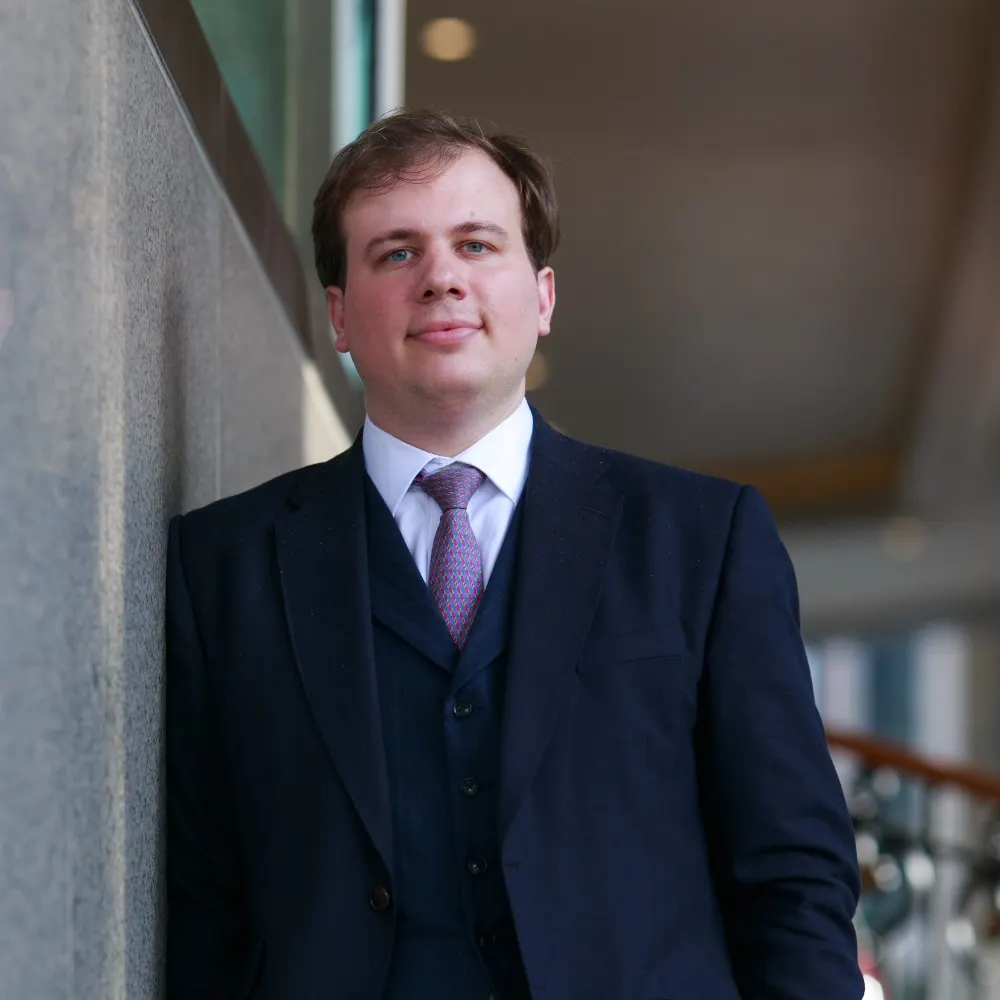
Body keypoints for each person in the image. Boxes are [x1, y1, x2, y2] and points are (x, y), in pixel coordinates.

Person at [165, 109, 863, 1000]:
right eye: (397, 253)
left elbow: (793, 874)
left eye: (477, 245)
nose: (442, 278)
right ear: (338, 315)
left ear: (543, 297)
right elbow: (206, 902)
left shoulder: (703, 540)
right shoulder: (222, 567)